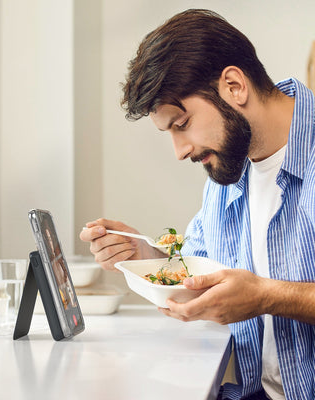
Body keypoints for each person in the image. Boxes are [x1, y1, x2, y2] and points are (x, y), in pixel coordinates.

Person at [79, 9, 315, 400]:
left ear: (234, 86)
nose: (180, 150)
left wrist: (266, 297)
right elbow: (201, 270)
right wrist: (146, 255)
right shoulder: (227, 169)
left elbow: (254, 292)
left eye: (182, 124)